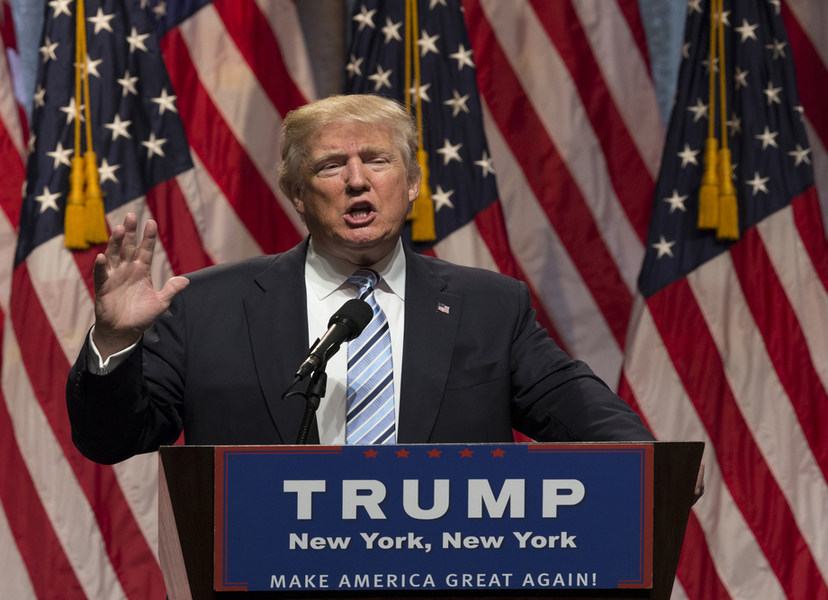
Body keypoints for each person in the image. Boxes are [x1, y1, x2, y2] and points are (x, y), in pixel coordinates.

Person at [66, 94, 659, 467]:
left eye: (377, 160)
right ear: (297, 192)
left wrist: (657, 464)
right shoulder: (209, 306)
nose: (357, 181)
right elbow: (111, 441)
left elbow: (577, 409)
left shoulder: (489, 306)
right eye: (330, 166)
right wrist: (115, 342)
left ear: (413, 183)